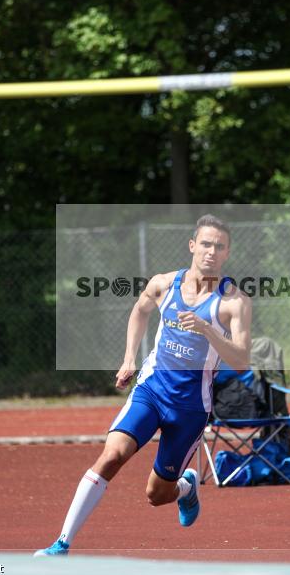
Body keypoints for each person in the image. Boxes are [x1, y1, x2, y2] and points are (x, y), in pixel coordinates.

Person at [35, 214, 252, 556]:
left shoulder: (233, 303)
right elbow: (139, 311)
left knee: (156, 495)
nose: (211, 251)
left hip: (190, 408)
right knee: (112, 456)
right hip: (151, 390)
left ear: (227, 253)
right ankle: (61, 544)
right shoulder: (163, 284)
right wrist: (128, 359)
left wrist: (207, 329)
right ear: (193, 246)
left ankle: (185, 488)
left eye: (219, 246)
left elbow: (241, 360)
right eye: (206, 244)